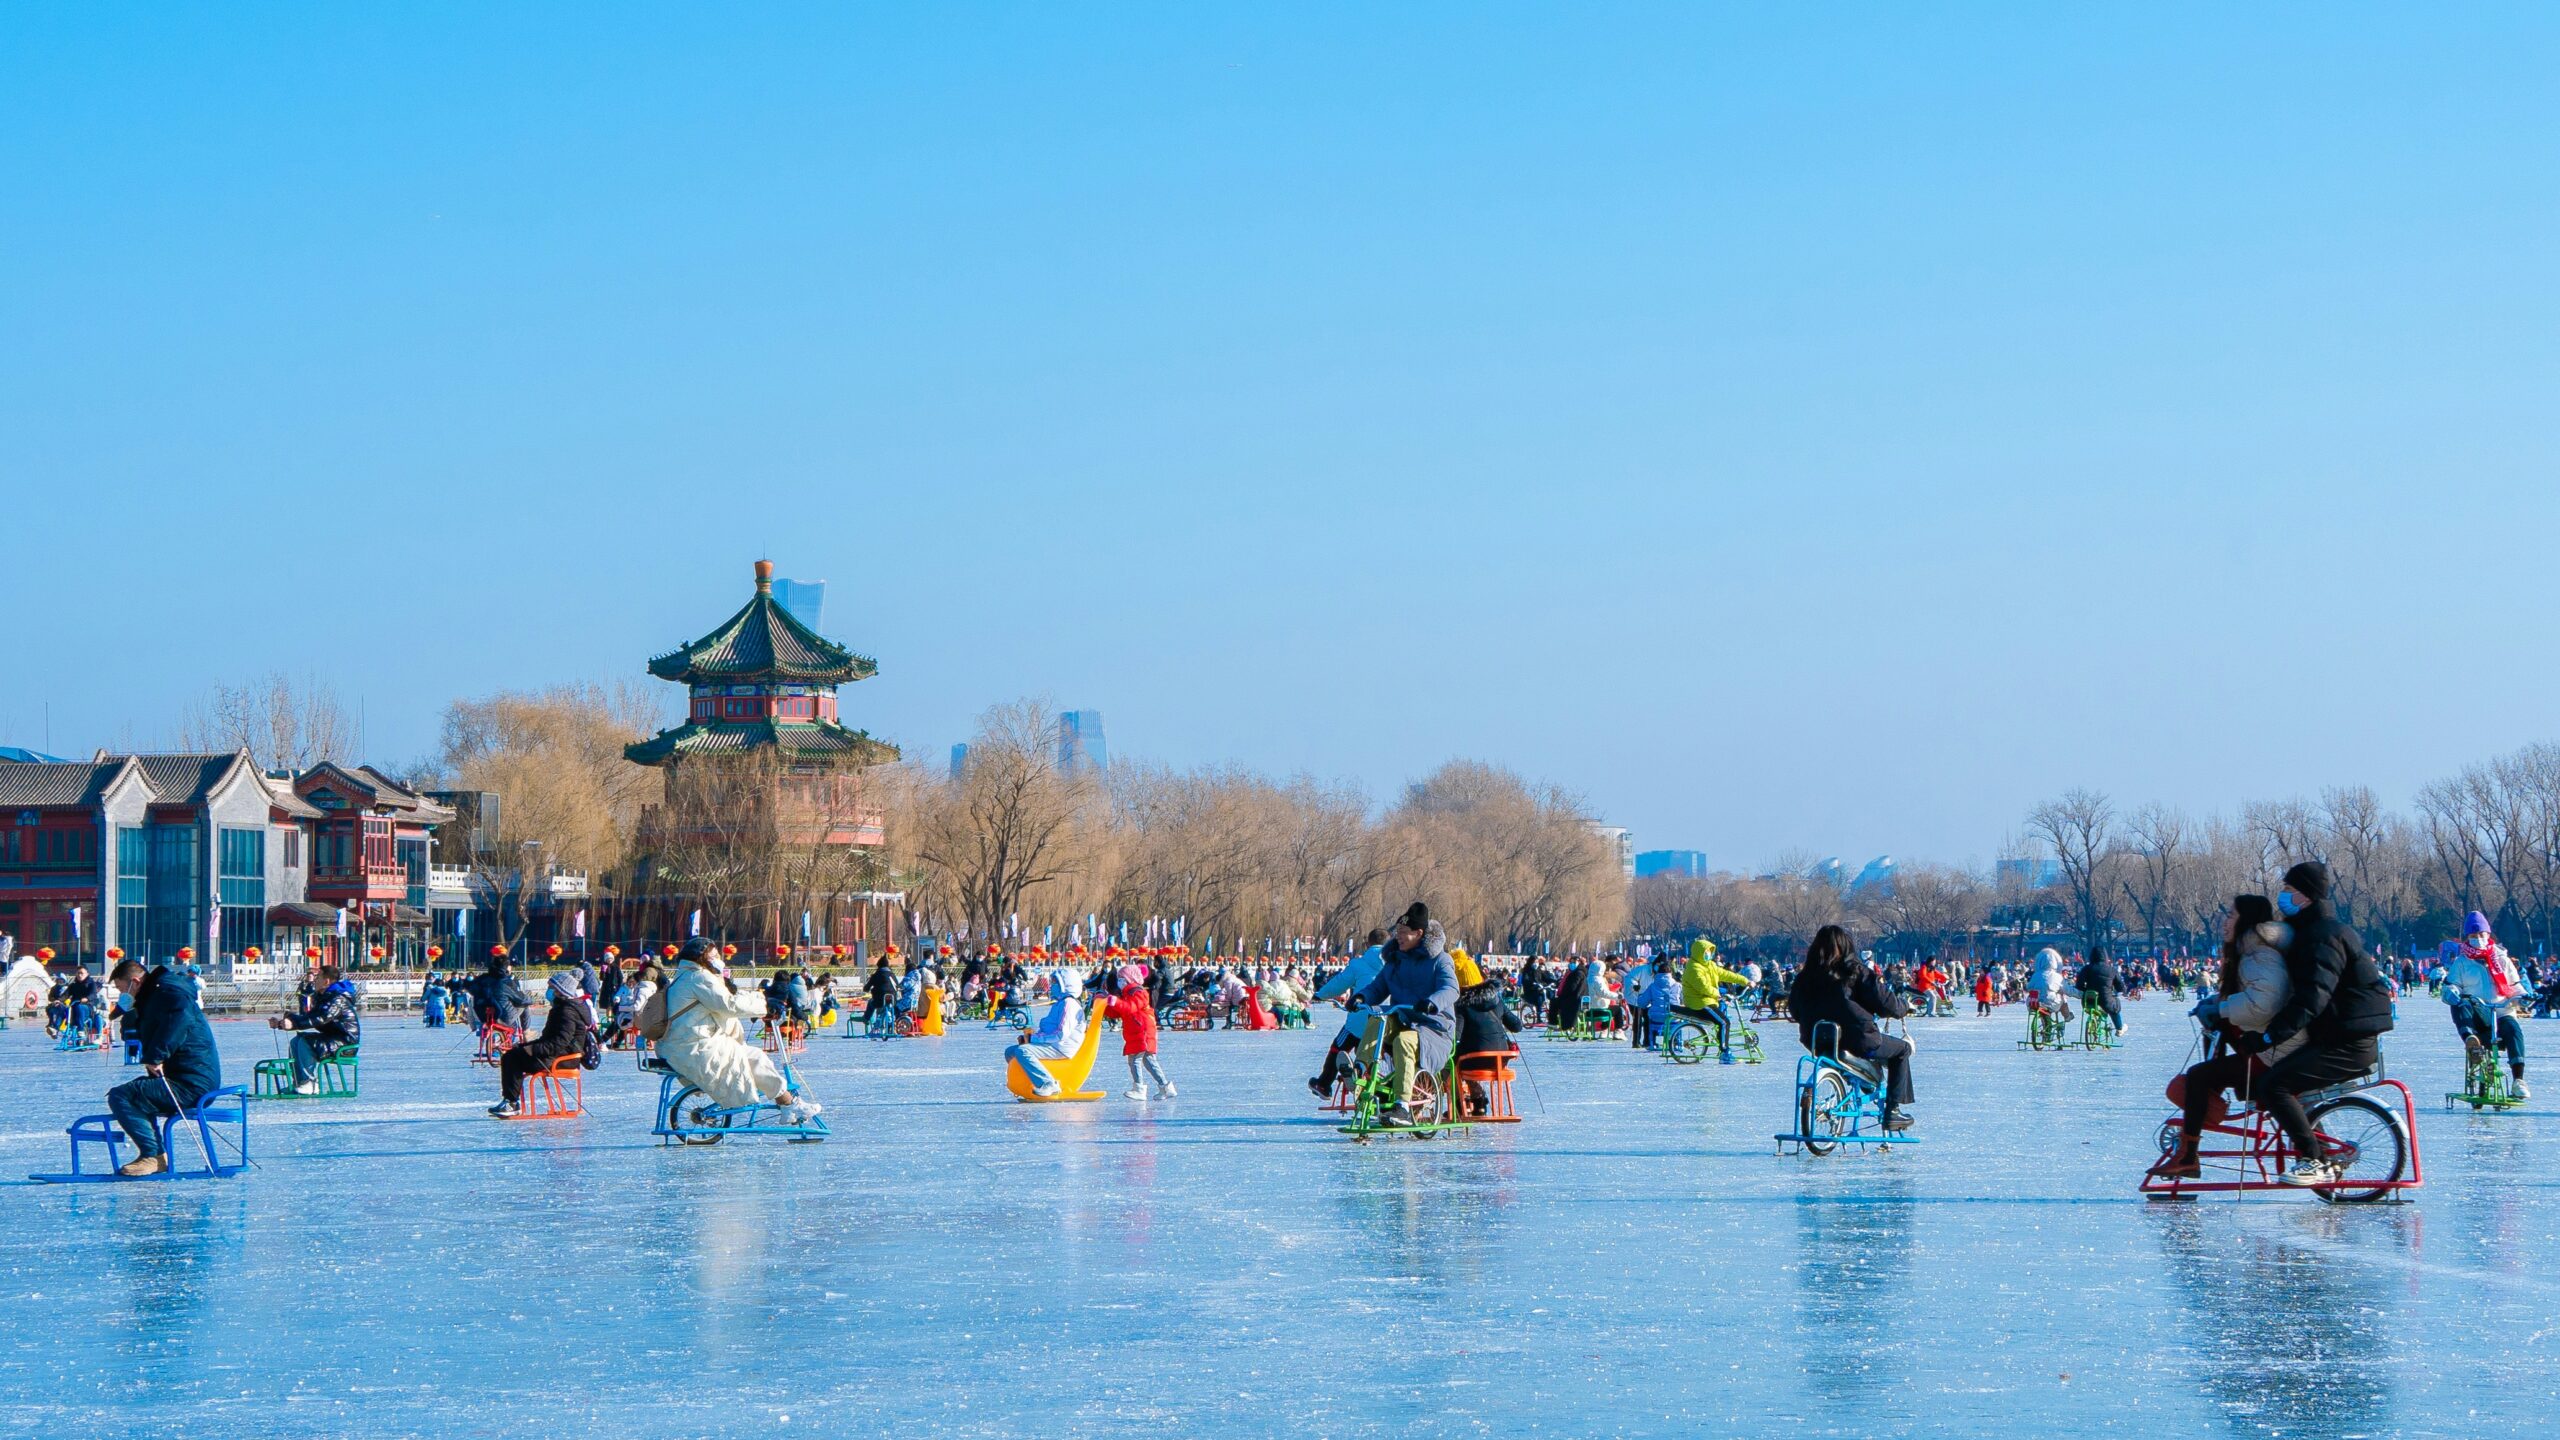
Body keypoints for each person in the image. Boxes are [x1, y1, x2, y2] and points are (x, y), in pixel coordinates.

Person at [2244, 862, 2396, 1186]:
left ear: (2304, 896)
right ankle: (2319, 1148)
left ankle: (2315, 1160)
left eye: (2288, 890)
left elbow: (2313, 998)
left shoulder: (2322, 936)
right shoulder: (2315, 931)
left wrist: (2271, 1034)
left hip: (2350, 1041)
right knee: (2283, 1079)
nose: (2282, 896)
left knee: (2275, 1085)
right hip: (2340, 1034)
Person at [2153, 896, 2298, 1178]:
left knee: (2197, 1077)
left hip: (2273, 1053)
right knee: (2208, 1068)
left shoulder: (2259, 955)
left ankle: (2189, 1155)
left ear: (2247, 920)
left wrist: (2222, 1008)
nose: (2225, 922)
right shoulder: (2254, 952)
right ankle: (2205, 1107)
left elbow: (2264, 1003)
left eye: (2231, 915)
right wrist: (2217, 1005)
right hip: (2266, 1045)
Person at [655, 937, 821, 1122]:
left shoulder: (686, 975)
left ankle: (787, 1104)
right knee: (754, 1057)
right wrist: (764, 1005)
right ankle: (790, 1105)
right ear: (703, 957)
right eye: (715, 955)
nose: (719, 958)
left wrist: (762, 1000)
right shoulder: (698, 977)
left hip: (684, 1044)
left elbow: (727, 997)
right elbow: (729, 1004)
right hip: (694, 1047)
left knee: (753, 1058)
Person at [1787, 924, 1916, 1131]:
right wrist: (1902, 1008)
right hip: (1857, 1039)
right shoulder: (1854, 971)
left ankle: (1865, 1081)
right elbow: (1884, 1002)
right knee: (1902, 1050)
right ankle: (1893, 1111)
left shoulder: (1805, 977)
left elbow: (1794, 1009)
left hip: (1817, 1040)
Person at [103, 956, 222, 1177]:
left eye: (122, 989)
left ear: (135, 982)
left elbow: (180, 1019)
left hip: (192, 1083)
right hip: (188, 1075)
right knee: (134, 1094)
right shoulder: (155, 995)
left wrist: (157, 1056)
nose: (123, 996)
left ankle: (154, 1156)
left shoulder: (167, 993)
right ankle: (153, 1154)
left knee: (122, 1096)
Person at [1355, 904, 1462, 1128]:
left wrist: (1432, 1003)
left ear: (1418, 934)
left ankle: (1402, 1105)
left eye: (1404, 934)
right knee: (1378, 1019)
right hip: (1404, 1019)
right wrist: (1362, 998)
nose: (1399, 938)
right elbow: (1378, 987)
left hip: (1433, 1027)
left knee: (1405, 1041)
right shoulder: (1395, 960)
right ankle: (1359, 1071)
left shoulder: (1440, 960)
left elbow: (1451, 989)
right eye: (1397, 934)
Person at [2442, 910, 2528, 1098]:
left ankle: (2518, 1079)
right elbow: (2451, 984)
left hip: (2502, 1009)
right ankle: (2471, 1042)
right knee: (2462, 1004)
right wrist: (2451, 992)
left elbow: (2515, 985)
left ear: (2488, 935)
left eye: (2481, 935)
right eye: (2473, 936)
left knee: (2514, 1031)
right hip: (2478, 1011)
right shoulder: (2462, 962)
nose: (2478, 939)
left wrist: (2522, 997)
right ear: (2467, 937)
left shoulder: (2502, 959)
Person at [490, 972, 598, 1117]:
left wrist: (533, 1049)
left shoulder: (567, 1012)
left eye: (551, 988)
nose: (549, 991)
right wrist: (523, 1046)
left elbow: (559, 1042)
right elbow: (548, 1038)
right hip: (556, 1054)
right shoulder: (561, 1009)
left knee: (512, 1059)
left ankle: (511, 1103)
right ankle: (510, 1101)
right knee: (513, 1054)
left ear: (560, 990)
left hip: (563, 1059)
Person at [1307, 930, 1388, 1099]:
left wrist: (1320, 994)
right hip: (1385, 1020)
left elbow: (1339, 983)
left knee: (1339, 1046)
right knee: (1374, 1055)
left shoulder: (1359, 964)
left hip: (1359, 1017)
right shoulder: (1395, 964)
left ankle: (1323, 1084)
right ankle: (1379, 1090)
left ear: (1367, 944)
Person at [1451, 949, 1522, 1117]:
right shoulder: (1496, 999)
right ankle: (1478, 1101)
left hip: (1474, 1060)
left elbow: (1456, 1037)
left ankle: (1462, 1102)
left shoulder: (1460, 1004)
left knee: (1450, 1063)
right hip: (1500, 1059)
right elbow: (1517, 1026)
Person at [268, 964, 359, 1095]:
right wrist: (282, 1023)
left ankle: (309, 1082)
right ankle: (300, 1082)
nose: (315, 980)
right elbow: (309, 1017)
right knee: (297, 1041)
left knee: (306, 1042)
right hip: (333, 1039)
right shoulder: (323, 997)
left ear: (326, 981)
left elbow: (321, 1018)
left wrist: (293, 1024)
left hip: (345, 1043)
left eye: (318, 977)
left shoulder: (337, 999)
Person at [1006, 971, 1090, 1099]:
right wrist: (1031, 1038)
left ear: (1066, 985)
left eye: (1055, 983)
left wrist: (1032, 1039)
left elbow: (1060, 1034)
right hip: (1053, 1044)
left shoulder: (1069, 1004)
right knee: (1010, 1051)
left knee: (1023, 1051)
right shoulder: (1060, 1003)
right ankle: (1026, 1082)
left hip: (1061, 1047)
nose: (1052, 986)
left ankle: (1048, 1083)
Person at [1672, 938, 1752, 1056]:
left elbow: (1726, 974)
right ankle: (1725, 1052)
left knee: (1721, 1021)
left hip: (1708, 1000)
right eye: (1706, 952)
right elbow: (1703, 987)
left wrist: (1745, 981)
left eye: (1710, 952)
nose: (1709, 955)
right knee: (1724, 1022)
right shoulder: (1694, 968)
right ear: (1699, 953)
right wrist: (1719, 994)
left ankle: (1722, 1044)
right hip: (1700, 1002)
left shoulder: (1710, 965)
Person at [1106, 964, 1175, 1101]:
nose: (1120, 981)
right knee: (1148, 1061)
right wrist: (1106, 1005)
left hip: (1142, 1030)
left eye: (1122, 978)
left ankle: (1139, 1088)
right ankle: (1165, 1087)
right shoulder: (1126, 994)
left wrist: (1116, 1002)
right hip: (1136, 1030)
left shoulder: (1138, 992)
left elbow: (1130, 1008)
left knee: (1135, 1059)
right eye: (1119, 978)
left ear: (1130, 979)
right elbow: (1119, 1012)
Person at [2076, 944, 2125, 1037]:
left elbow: (2079, 984)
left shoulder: (2086, 968)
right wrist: (2120, 990)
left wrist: (2085, 989)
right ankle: (2119, 1028)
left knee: (2093, 1007)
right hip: (2105, 999)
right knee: (2115, 1008)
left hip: (2089, 999)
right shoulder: (2111, 970)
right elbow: (2120, 986)